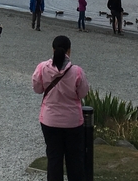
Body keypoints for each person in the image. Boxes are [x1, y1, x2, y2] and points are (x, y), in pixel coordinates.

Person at [32, 35, 89, 181]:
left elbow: (37, 89)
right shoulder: (77, 72)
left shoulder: (42, 68)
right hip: (72, 122)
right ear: (69, 51)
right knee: (75, 161)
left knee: (54, 159)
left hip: (50, 120)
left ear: (53, 49)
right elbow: (83, 93)